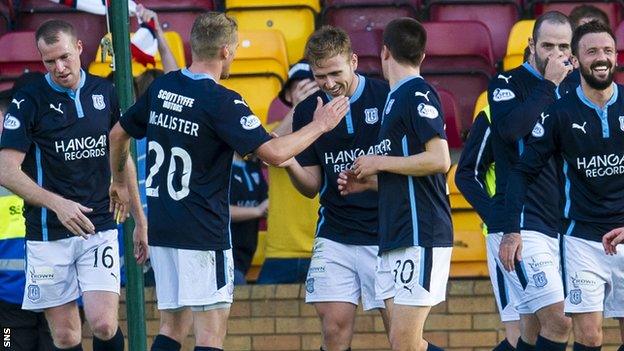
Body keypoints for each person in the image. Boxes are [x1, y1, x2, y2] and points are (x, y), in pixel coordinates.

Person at [108, 12, 349, 351]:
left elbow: (117, 135)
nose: (234, 56)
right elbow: (275, 154)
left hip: (164, 228)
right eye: (234, 50)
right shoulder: (223, 101)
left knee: (172, 327)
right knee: (210, 335)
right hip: (203, 232)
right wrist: (320, 125)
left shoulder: (163, 86)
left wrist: (119, 181)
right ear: (224, 51)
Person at [0, 20, 146, 351]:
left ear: (80, 48)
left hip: (99, 226)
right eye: (50, 61)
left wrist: (141, 220)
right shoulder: (28, 102)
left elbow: (124, 156)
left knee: (104, 324)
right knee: (66, 336)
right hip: (48, 232)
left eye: (65, 57)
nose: (60, 67)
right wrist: (57, 204)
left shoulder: (105, 92)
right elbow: (5, 170)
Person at [505, 20, 624, 351]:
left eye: (608, 51)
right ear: (577, 58)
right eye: (592, 51)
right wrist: (511, 229)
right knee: (588, 336)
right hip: (582, 241)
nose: (601, 58)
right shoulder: (559, 112)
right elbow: (522, 172)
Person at [339, 17, 452, 351]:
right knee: (405, 343)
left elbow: (440, 160)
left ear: (383, 52)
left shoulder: (416, 92)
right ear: (423, 54)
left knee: (403, 343)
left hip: (421, 233)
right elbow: (411, 173)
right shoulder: (393, 99)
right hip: (396, 234)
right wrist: (373, 183)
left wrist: (378, 162)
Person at [283, 26, 390, 351]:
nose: (329, 84)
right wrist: (288, 162)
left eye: (335, 73)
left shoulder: (386, 98)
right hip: (336, 234)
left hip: (387, 234)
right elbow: (312, 186)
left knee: (402, 337)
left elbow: (416, 170)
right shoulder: (307, 111)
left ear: (354, 61)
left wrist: (371, 178)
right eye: (320, 76)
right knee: (334, 331)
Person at [488, 11, 580, 351]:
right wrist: (550, 85)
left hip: (560, 223)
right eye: (547, 46)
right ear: (531, 45)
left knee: (530, 332)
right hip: (520, 221)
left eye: (563, 47)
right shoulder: (506, 83)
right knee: (560, 319)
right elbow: (511, 130)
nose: (556, 55)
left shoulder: (575, 87)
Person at [257, 61, 320, 284]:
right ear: (288, 94)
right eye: (299, 86)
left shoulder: (331, 128)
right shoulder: (274, 128)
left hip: (324, 248)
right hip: (281, 251)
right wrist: (299, 109)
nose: (306, 91)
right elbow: (263, 153)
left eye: (312, 86)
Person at [229, 153, 268, 285]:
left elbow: (267, 202)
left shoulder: (252, 166)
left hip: (246, 254)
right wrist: (257, 211)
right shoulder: (220, 167)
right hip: (226, 254)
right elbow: (218, 210)